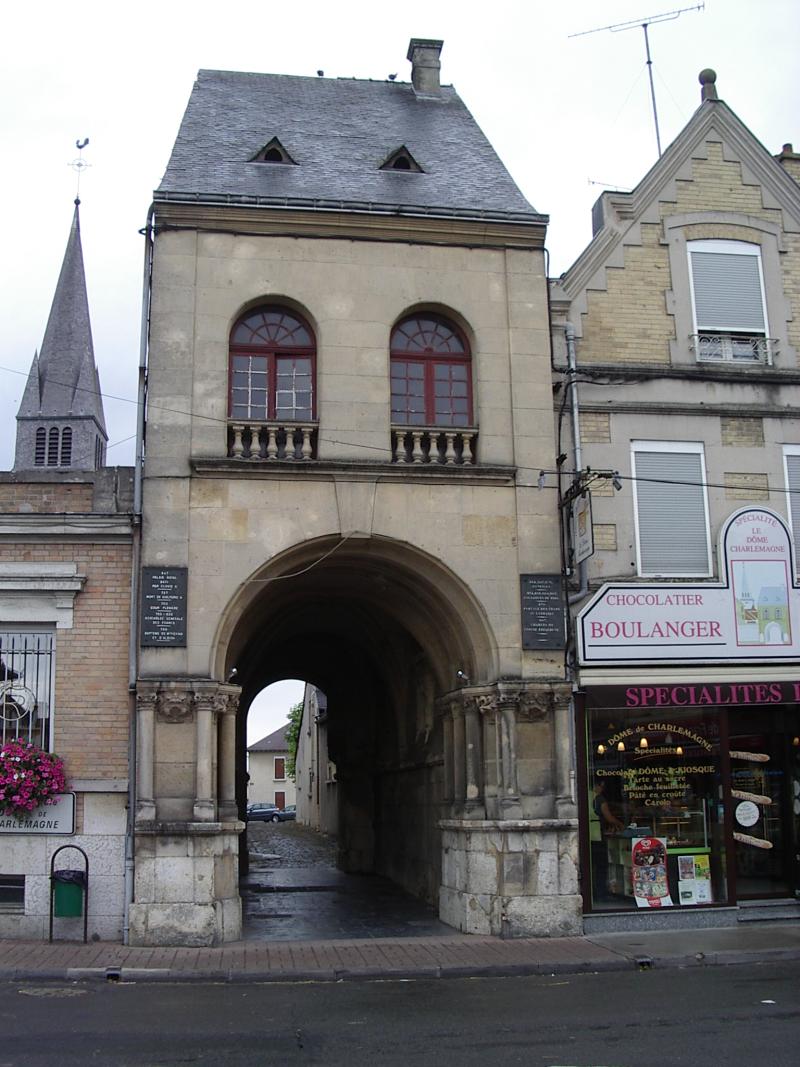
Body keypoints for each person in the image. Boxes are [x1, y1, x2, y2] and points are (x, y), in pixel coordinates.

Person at [591, 778, 624, 902]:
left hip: (588, 836)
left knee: (591, 865)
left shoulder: (585, 795)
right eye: (602, 786)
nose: (602, 789)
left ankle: (592, 891)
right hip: (597, 836)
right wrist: (621, 825)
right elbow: (609, 818)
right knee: (601, 866)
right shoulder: (599, 799)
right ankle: (601, 893)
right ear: (598, 785)